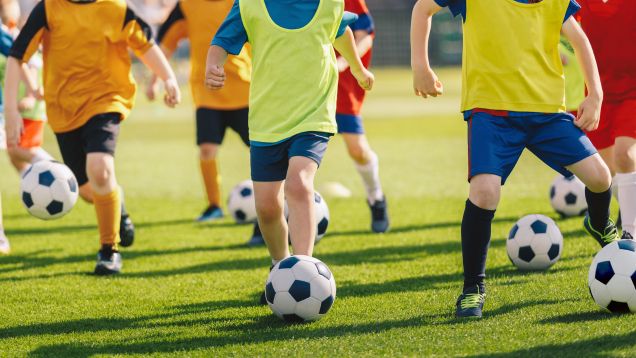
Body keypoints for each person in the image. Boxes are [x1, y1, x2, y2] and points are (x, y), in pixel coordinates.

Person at [411, 0, 616, 318]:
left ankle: (601, 224)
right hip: (490, 113)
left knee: (601, 177)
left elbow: (579, 39)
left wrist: (595, 94)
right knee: (484, 193)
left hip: (547, 113)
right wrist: (421, 66)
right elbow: (422, 9)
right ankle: (472, 288)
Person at [206, 0, 373, 299]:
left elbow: (340, 30)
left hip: (314, 114)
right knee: (268, 207)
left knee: (298, 183)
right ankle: (281, 266)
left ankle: (304, 266)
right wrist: (213, 64)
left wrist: (358, 70)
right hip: (267, 121)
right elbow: (221, 41)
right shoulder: (249, 5)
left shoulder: (329, 3)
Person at [4, 0, 181, 274]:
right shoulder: (49, 8)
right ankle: (118, 209)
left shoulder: (117, 8)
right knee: (88, 191)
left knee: (100, 169)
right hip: (64, 110)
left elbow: (146, 45)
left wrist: (168, 78)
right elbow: (17, 57)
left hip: (106, 100)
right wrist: (12, 111)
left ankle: (109, 250)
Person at [149, 0, 251, 222]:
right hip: (206, 91)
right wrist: (154, 80)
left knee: (261, 151)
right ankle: (214, 205)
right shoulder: (187, 4)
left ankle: (271, 201)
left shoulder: (242, 2)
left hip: (244, 88)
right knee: (207, 150)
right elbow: (166, 43)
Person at [578, 0, 636, 240]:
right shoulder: (578, 3)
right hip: (598, 96)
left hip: (633, 91)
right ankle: (600, 220)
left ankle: (630, 233)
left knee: (625, 154)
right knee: (603, 173)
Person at [336, 0, 389, 233]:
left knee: (357, 150)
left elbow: (365, 34)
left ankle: (376, 197)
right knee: (291, 153)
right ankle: (274, 215)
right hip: (303, 86)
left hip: (341, 87)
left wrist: (346, 60)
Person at [1, 2, 54, 176]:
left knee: (16, 149)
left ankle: (56, 171)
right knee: (13, 152)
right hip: (16, 108)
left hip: (29, 110)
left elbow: (25, 60)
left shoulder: (9, 36)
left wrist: (32, 94)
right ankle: (31, 182)